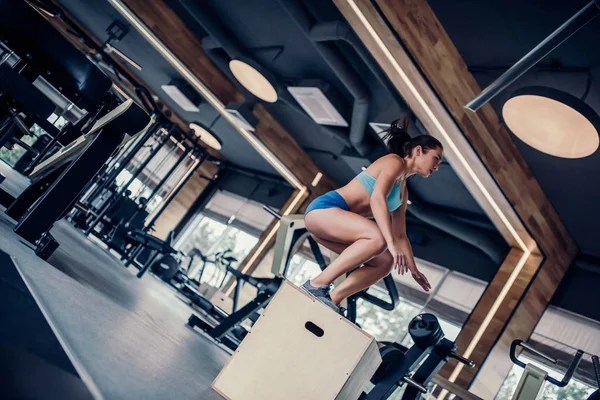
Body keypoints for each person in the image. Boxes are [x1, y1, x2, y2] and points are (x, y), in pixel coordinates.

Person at [302, 117, 443, 312]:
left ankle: (332, 300)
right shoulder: (395, 162)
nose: (436, 167)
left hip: (334, 227)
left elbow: (400, 234)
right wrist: (391, 244)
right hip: (323, 211)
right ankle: (316, 285)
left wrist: (413, 269)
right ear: (418, 150)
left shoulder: (404, 190)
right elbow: (377, 199)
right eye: (436, 159)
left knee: (385, 263)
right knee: (378, 238)